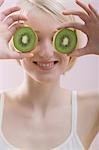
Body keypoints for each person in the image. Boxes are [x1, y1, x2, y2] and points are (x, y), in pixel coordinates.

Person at [0, 0, 99, 150]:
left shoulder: (92, 106)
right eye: (35, 38)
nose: (46, 52)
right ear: (15, 43)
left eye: (57, 38)